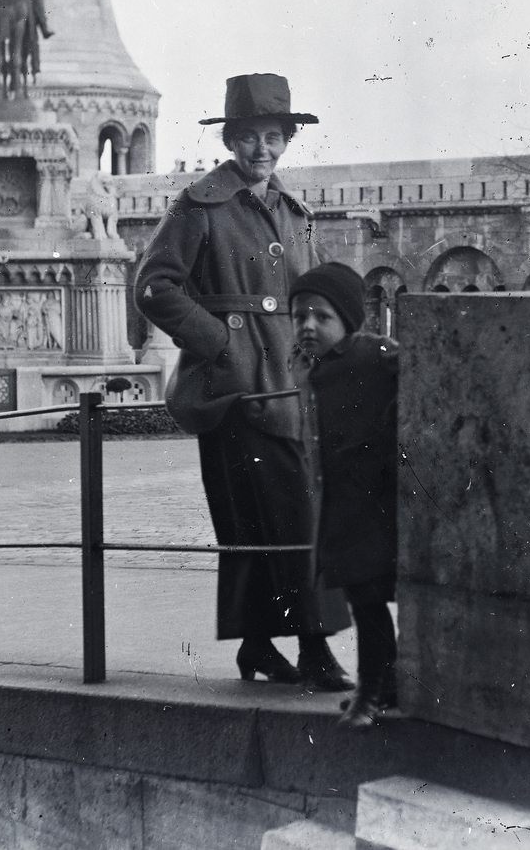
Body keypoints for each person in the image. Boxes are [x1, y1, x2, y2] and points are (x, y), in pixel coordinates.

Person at [134, 74, 352, 690]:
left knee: (277, 520)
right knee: (273, 520)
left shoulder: (292, 212)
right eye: (253, 137)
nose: (264, 150)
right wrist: (221, 342)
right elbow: (155, 287)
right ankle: (313, 649)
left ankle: (258, 645)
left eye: (275, 137)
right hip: (235, 391)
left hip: (292, 390)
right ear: (231, 139)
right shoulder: (199, 206)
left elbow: (313, 293)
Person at [289, 263, 400, 731]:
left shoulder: (378, 356)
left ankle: (371, 694)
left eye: (321, 316)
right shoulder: (319, 366)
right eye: (299, 317)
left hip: (373, 503)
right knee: (364, 600)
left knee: (370, 602)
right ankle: (383, 685)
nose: (308, 326)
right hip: (343, 505)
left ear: (349, 319)